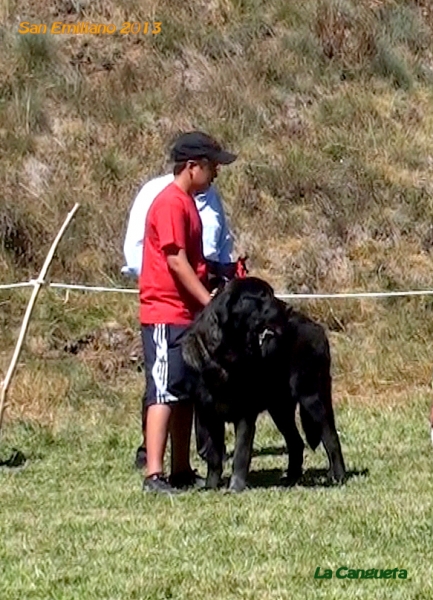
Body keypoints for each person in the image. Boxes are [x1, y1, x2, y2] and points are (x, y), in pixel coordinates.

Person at [139, 131, 237, 493]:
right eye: (212, 166)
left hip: (186, 314)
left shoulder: (189, 205)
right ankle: (153, 473)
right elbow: (176, 261)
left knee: (184, 393)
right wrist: (207, 300)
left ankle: (181, 468)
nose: (215, 174)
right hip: (165, 312)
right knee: (163, 391)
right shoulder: (169, 204)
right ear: (192, 166)